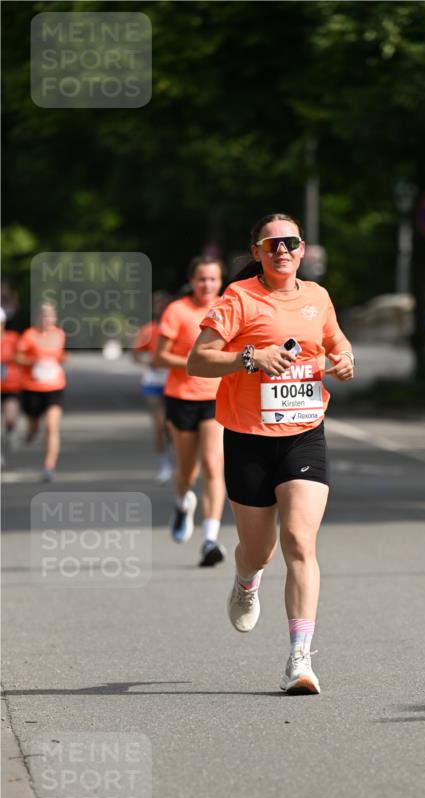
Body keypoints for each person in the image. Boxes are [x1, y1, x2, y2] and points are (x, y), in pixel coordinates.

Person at [188, 213, 354, 695]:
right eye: (272, 244)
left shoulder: (318, 297)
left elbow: (337, 342)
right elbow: (198, 359)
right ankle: (246, 580)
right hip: (248, 437)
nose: (283, 250)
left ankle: (299, 659)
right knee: (259, 550)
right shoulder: (238, 298)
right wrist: (250, 358)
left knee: (299, 541)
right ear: (257, 252)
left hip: (305, 433)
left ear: (302, 249)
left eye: (291, 242)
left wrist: (345, 359)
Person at [154, 257, 226, 567]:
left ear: (220, 281)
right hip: (181, 397)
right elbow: (159, 357)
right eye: (201, 279)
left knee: (212, 465)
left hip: (216, 397)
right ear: (192, 281)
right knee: (187, 471)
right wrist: (194, 363)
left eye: (213, 279)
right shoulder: (177, 311)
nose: (207, 284)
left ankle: (210, 539)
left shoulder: (228, 307)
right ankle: (183, 503)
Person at [16, 302, 66, 481]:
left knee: (52, 426)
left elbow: (60, 356)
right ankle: (30, 434)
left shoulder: (59, 335)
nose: (48, 319)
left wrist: (59, 361)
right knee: (34, 427)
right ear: (38, 317)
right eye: (44, 316)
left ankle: (49, 466)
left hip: (54, 386)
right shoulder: (29, 335)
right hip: (32, 387)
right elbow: (18, 357)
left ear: (55, 317)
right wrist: (33, 361)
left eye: (51, 316)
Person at [132, 291, 173, 484]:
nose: (160, 307)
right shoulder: (148, 330)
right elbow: (135, 354)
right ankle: (165, 464)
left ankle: (179, 459)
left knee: (173, 426)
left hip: (174, 381)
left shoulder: (175, 326)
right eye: (157, 304)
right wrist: (148, 361)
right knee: (159, 425)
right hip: (153, 381)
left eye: (163, 304)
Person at [1, 306, 22, 458]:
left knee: (10, 417)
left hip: (10, 386)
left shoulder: (13, 338)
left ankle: (11, 430)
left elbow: (22, 357)